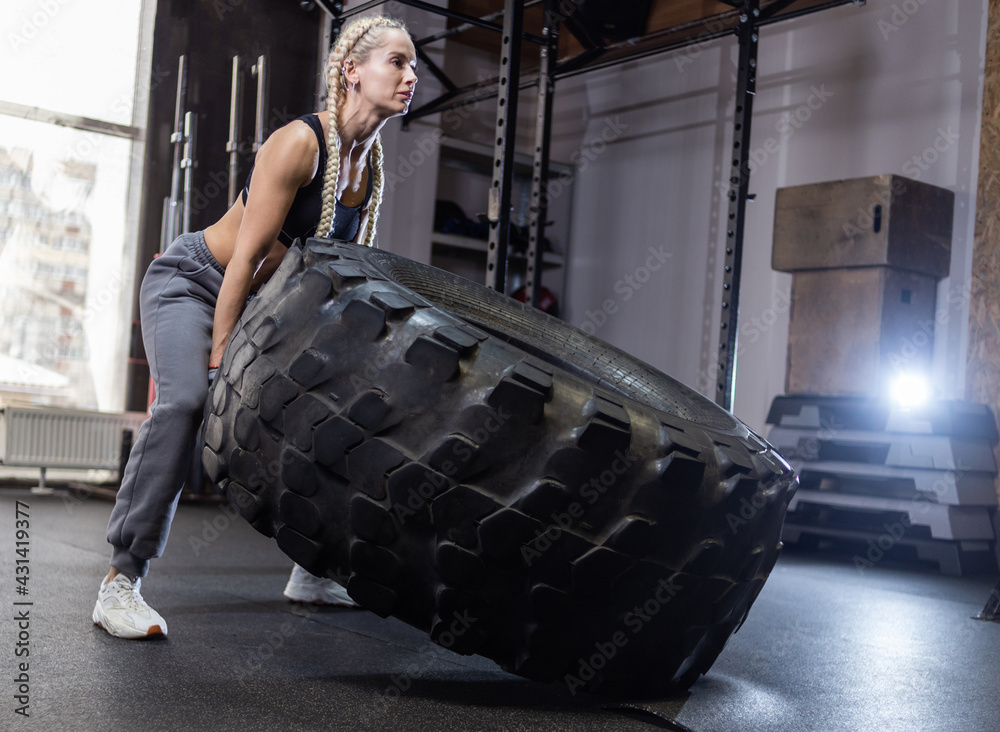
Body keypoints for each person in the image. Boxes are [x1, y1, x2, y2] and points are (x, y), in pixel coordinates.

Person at [92, 14, 418, 639]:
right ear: (353, 70)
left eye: (413, 66)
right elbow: (243, 258)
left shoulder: (367, 170)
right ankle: (120, 581)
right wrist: (218, 363)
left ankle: (312, 568)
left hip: (267, 316)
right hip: (195, 285)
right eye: (397, 63)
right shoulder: (300, 144)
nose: (410, 77)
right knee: (186, 402)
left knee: (337, 418)